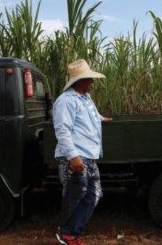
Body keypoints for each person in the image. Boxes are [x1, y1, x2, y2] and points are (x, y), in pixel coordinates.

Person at [53, 59, 110, 245]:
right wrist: (73, 157)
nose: (92, 83)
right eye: (89, 79)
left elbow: (90, 114)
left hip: (89, 156)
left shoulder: (85, 98)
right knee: (75, 195)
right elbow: (62, 130)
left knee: (94, 194)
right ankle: (66, 234)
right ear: (79, 81)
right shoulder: (66, 101)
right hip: (75, 157)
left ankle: (72, 232)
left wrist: (102, 118)